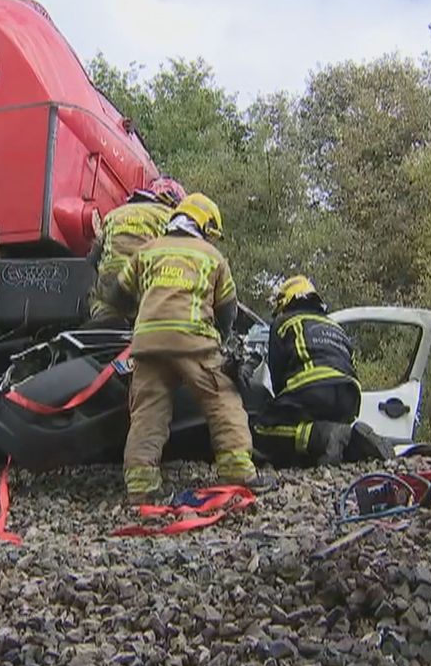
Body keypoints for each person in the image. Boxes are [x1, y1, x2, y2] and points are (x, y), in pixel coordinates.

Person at [109, 193, 274, 503]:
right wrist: (222, 341)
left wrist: (141, 314)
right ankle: (238, 470)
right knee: (222, 399)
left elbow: (117, 296)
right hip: (194, 341)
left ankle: (142, 486)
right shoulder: (212, 256)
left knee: (147, 413)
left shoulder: (146, 252)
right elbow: (228, 310)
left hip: (147, 344)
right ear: (205, 225)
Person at [250, 276, 391, 467]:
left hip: (312, 388)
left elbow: (277, 376)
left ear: (286, 301)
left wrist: (279, 409)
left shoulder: (284, 322)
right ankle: (353, 442)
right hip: (350, 395)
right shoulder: (334, 325)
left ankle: (323, 436)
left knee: (261, 428)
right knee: (329, 434)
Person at [85, 177, 187, 327]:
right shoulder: (170, 217)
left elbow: (92, 259)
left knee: (97, 296)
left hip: (112, 288)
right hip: (144, 289)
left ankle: (105, 319)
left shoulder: (114, 214)